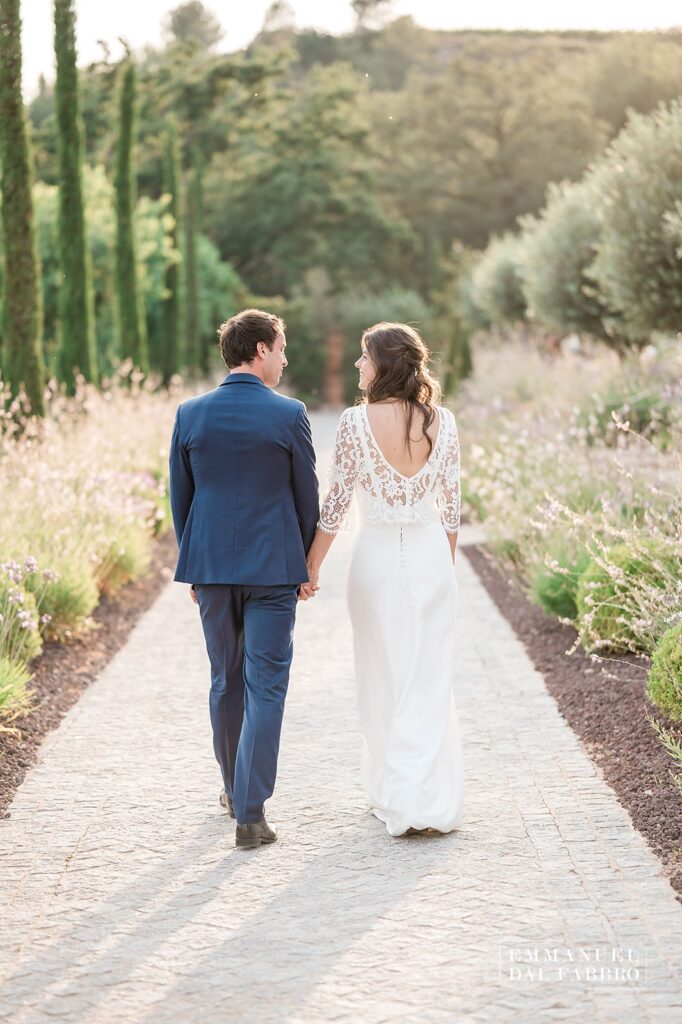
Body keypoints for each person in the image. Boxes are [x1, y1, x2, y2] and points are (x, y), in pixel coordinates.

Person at [302, 322, 463, 837]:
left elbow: (336, 505)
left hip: (372, 561)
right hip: (431, 555)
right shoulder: (447, 422)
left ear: (385, 364)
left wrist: (312, 565)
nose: (357, 365)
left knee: (379, 672)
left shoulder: (353, 423)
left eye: (364, 357)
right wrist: (445, 570)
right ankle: (425, 795)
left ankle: (395, 791)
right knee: (428, 674)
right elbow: (452, 512)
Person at [169, 309, 320, 849]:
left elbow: (180, 500)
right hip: (274, 570)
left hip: (211, 569)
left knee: (224, 680)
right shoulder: (289, 414)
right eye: (280, 348)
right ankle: (250, 813)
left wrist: (195, 562)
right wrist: (304, 563)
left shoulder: (189, 414)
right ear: (259, 350)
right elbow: (308, 498)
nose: (284, 358)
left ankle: (235, 791)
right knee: (266, 685)